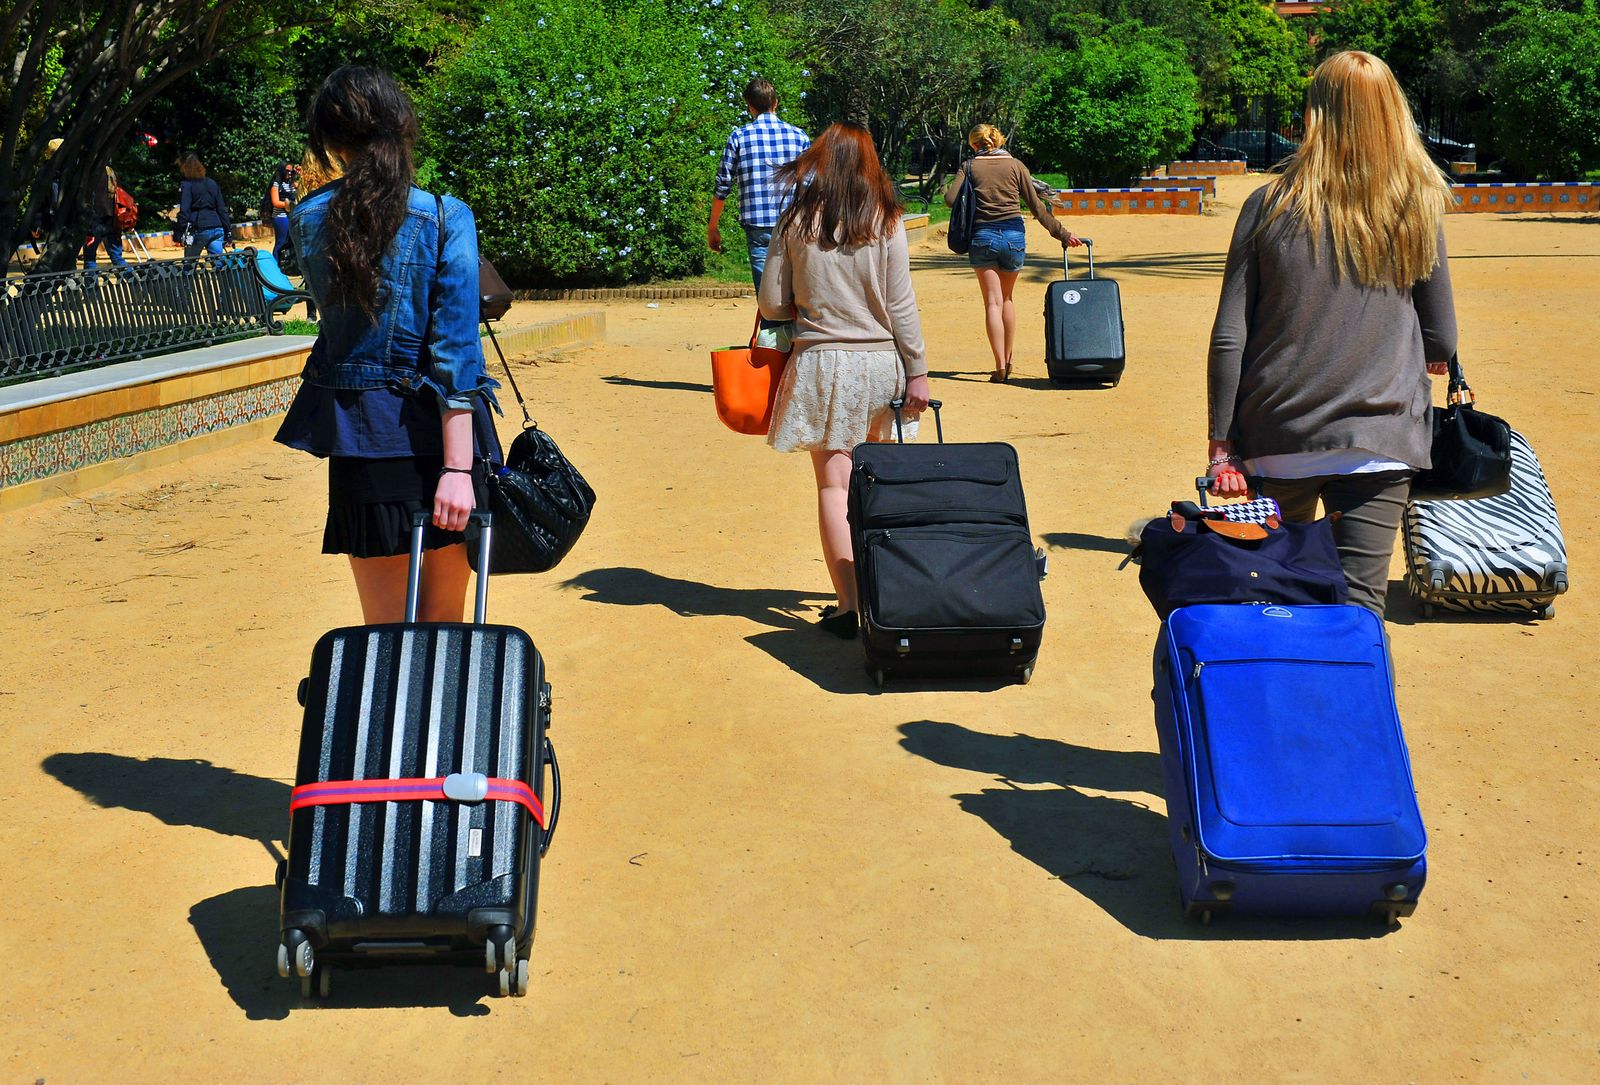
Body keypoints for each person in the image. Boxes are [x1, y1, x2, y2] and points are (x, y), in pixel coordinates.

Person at [1205, 51, 1457, 617]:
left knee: (1275, 596)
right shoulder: (1416, 204)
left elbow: (1229, 334)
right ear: (1394, 114)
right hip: (1379, 440)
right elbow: (1441, 336)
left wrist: (1221, 442)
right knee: (1360, 609)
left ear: (1314, 114)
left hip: (1279, 436)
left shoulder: (1269, 204)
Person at [273, 65, 499, 624]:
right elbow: (455, 352)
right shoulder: (445, 215)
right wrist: (457, 470)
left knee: (383, 634)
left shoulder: (307, 219)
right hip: (443, 442)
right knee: (444, 627)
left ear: (331, 140)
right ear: (401, 125)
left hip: (360, 438)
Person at [758, 122, 932, 640]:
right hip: (881, 364)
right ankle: (891, 593)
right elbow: (901, 305)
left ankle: (848, 604)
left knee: (834, 487)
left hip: (820, 363)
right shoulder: (887, 220)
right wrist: (918, 371)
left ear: (819, 161)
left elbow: (772, 303)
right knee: (886, 482)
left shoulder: (795, 219)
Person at [943, 125, 1083, 382]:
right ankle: (1008, 361)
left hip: (982, 237)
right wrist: (1063, 234)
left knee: (992, 303)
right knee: (1007, 299)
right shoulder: (1016, 165)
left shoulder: (969, 166)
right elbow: (1037, 206)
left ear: (974, 144)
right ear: (998, 140)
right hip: (1014, 237)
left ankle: (998, 367)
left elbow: (951, 200)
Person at [709, 77, 810, 291]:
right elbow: (810, 185)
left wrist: (713, 226)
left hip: (758, 227)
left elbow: (723, 186)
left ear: (750, 106)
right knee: (796, 291)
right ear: (776, 103)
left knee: (767, 294)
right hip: (794, 223)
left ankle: (769, 313)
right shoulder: (799, 136)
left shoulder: (738, 137)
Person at [176, 153, 230, 258]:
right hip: (216, 226)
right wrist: (228, 231)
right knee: (218, 263)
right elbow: (222, 209)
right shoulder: (212, 183)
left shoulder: (187, 185)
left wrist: (180, 231)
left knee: (189, 263)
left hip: (198, 227)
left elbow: (185, 210)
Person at [83, 165, 130, 270]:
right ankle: (132, 278)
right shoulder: (112, 172)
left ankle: (91, 281)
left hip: (95, 220)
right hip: (113, 220)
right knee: (117, 257)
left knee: (90, 259)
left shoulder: (90, 173)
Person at [264, 160, 299, 265]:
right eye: (287, 171)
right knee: (281, 242)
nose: (289, 173)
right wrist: (290, 205)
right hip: (281, 217)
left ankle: (287, 264)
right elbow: (276, 202)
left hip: (291, 216)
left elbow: (304, 186)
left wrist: (299, 173)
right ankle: (275, 264)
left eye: (291, 171)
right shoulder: (276, 184)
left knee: (291, 242)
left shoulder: (291, 184)